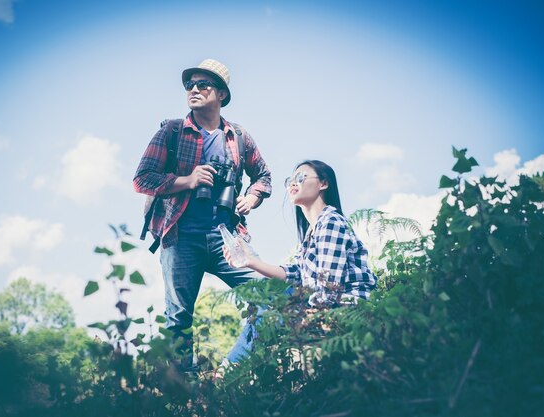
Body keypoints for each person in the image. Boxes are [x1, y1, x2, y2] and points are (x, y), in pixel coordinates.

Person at [133, 59, 272, 371]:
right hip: (180, 236)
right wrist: (188, 181)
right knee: (178, 320)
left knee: (268, 297)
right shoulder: (172, 131)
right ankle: (183, 396)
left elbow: (263, 176)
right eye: (189, 86)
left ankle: (231, 373)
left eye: (202, 85)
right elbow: (141, 179)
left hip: (227, 237)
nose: (193, 90)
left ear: (221, 94)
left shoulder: (238, 136)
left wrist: (251, 197)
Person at [223, 160, 377, 362]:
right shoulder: (312, 232)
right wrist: (250, 261)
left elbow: (330, 285)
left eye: (301, 177)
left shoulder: (330, 221)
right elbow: (294, 274)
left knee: (269, 302)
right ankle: (230, 368)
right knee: (267, 294)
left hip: (348, 307)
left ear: (323, 183)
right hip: (326, 304)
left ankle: (228, 369)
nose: (292, 184)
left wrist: (310, 319)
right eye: (290, 180)